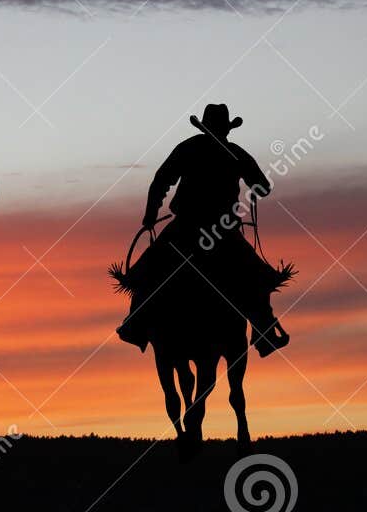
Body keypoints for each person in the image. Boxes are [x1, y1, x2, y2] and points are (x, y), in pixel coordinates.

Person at [115, 104, 291, 356]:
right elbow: (262, 185)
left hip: (186, 226)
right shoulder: (235, 152)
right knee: (256, 277)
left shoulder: (188, 148)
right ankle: (265, 333)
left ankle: (136, 324)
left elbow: (161, 179)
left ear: (205, 127)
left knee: (149, 269)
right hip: (223, 231)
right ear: (226, 129)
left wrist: (151, 214)